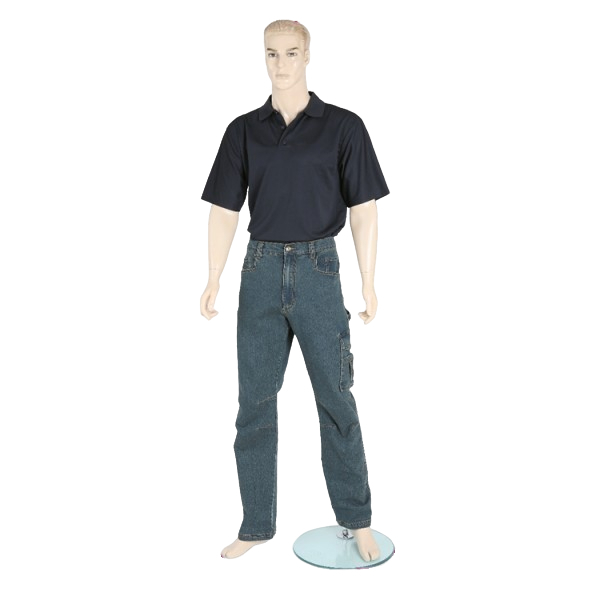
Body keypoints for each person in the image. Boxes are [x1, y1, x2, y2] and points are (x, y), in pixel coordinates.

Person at [200, 19, 390, 561]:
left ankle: (357, 519)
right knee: (254, 403)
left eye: (290, 53)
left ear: (308, 56)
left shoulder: (344, 126)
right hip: (259, 270)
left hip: (318, 269)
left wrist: (369, 280)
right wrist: (213, 275)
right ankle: (256, 524)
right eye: (271, 54)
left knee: (336, 398)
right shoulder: (243, 130)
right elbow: (225, 209)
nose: (280, 64)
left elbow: (364, 208)